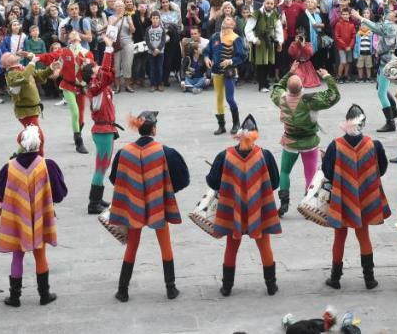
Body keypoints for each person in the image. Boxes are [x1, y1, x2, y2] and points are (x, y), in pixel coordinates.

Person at [108, 110, 190, 302]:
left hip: (133, 206)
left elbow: (115, 179)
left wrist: (132, 192)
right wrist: (164, 190)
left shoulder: (124, 152)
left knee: (132, 245)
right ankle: (171, 288)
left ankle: (123, 290)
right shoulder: (166, 152)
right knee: (165, 244)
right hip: (158, 205)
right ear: (154, 129)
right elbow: (183, 179)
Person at [206, 114, 281, 296]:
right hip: (259, 208)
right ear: (256, 135)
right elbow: (275, 183)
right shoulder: (265, 155)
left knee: (231, 247)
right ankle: (271, 285)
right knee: (265, 246)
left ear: (238, 136)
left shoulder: (224, 156)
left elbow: (213, 182)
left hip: (234, 209)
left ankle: (227, 287)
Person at [0, 124, 67, 308]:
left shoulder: (8, 167)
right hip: (39, 218)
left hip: (16, 219)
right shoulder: (47, 165)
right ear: (39, 144)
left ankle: (15, 297)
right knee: (40, 254)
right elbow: (59, 194)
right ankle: (44, 294)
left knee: (17, 256)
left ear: (20, 143)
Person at [321, 103, 390, 290]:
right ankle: (369, 278)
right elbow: (381, 169)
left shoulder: (335, 146)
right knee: (364, 235)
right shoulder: (374, 145)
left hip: (342, 198)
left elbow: (327, 173)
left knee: (339, 237)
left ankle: (335, 278)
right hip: (365, 196)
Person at [270, 65, 340, 212]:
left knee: (284, 172)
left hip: (290, 141)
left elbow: (276, 88)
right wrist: (327, 76)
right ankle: (308, 202)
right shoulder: (310, 100)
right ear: (302, 87)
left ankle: (284, 202)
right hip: (309, 142)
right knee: (310, 173)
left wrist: (289, 72)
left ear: (288, 89)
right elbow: (334, 95)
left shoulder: (281, 98)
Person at [85, 54, 117, 215]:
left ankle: (98, 198)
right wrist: (109, 48)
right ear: (92, 75)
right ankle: (93, 203)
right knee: (101, 168)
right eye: (95, 67)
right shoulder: (95, 88)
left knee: (103, 167)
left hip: (105, 130)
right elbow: (105, 72)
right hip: (103, 131)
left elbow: (109, 73)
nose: (99, 68)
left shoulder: (99, 87)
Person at [207, 15, 247, 135]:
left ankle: (236, 123)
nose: (226, 20)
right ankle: (221, 125)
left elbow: (242, 56)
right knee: (218, 97)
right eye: (225, 19)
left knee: (229, 98)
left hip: (229, 72)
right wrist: (205, 58)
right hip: (216, 71)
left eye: (229, 19)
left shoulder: (236, 38)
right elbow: (207, 51)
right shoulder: (215, 36)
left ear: (233, 25)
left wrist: (230, 61)